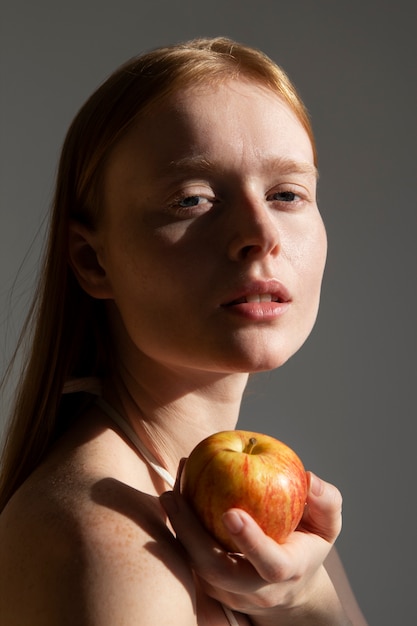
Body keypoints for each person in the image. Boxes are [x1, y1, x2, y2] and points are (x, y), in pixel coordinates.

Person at [0, 37, 368, 625]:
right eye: (193, 199)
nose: (260, 232)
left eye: (285, 194)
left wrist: (306, 605)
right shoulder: (105, 542)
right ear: (94, 261)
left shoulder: (284, 544)